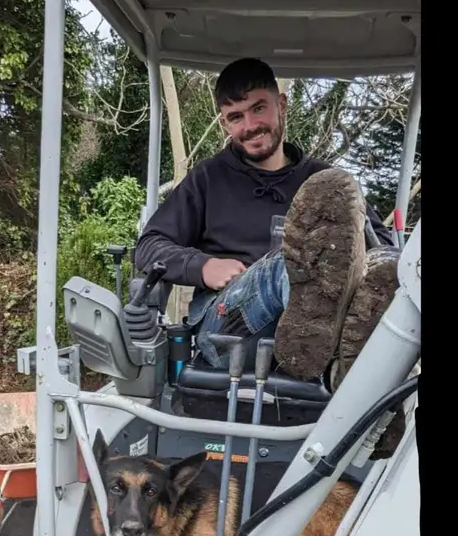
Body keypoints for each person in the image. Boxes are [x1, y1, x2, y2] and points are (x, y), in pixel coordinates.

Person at [135, 58, 399, 400]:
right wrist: (202, 266)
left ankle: (355, 370)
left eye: (259, 108)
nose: (250, 125)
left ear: (282, 105)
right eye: (235, 117)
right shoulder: (207, 179)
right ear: (224, 124)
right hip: (227, 334)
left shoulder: (327, 185)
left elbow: (382, 249)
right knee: (295, 259)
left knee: (387, 261)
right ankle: (345, 369)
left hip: (325, 332)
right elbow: (149, 246)